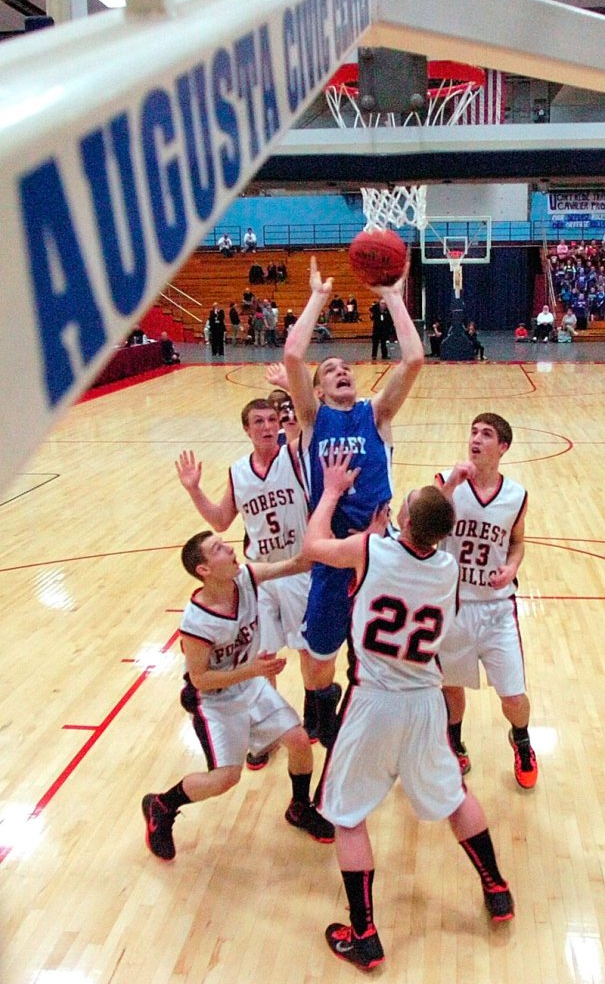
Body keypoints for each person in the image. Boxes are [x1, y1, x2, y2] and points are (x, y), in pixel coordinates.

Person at [302, 451, 514, 969]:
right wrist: (450, 487)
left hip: (372, 702)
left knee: (347, 816)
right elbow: (429, 524)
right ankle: (497, 887)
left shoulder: (369, 550)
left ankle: (365, 933)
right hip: (424, 703)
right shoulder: (448, 570)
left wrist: (330, 491)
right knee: (455, 797)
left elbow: (311, 546)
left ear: (402, 521)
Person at [284, 256, 423, 748]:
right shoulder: (310, 418)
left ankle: (373, 725)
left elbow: (413, 360)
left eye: (346, 368)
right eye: (331, 370)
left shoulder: (376, 413)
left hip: (379, 553)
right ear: (319, 389)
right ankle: (320, 708)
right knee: (319, 658)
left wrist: (391, 297)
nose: (341, 371)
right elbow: (293, 358)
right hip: (330, 554)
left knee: (380, 653)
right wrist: (318, 299)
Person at [141, 530, 334, 860]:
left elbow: (297, 563)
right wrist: (254, 671)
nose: (229, 549)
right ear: (204, 569)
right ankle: (162, 804)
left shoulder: (246, 576)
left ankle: (299, 807)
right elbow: (200, 679)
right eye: (218, 549)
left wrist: (328, 513)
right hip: (215, 701)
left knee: (299, 740)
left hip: (250, 682)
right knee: (225, 778)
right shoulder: (197, 622)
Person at [176, 397, 319, 755]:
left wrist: (290, 385)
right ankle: (265, 728)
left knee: (306, 651)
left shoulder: (296, 457)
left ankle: (310, 715)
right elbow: (222, 521)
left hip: (297, 566)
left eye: (272, 419)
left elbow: (306, 418)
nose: (268, 427)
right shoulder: (238, 470)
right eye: (258, 422)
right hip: (258, 575)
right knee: (263, 655)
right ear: (246, 430)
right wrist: (194, 490)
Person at [435, 413, 538, 790]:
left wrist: (512, 567)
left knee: (513, 694)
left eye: (487, 434)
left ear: (503, 447)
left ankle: (522, 740)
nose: (476, 439)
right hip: (454, 605)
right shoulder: (449, 482)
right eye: (473, 432)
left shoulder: (516, 496)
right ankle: (453, 742)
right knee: (450, 687)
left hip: (496, 607)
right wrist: (448, 488)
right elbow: (418, 524)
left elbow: (517, 541)